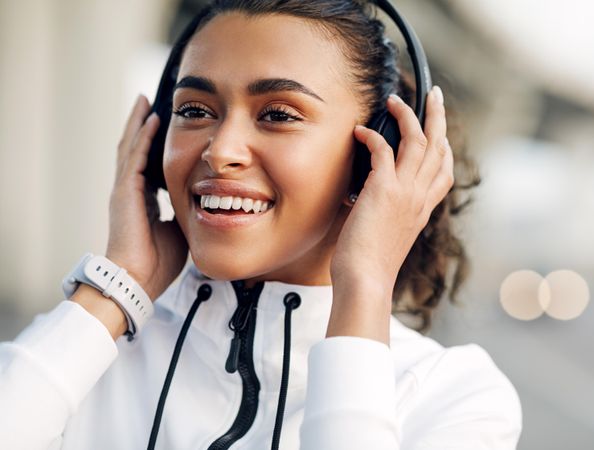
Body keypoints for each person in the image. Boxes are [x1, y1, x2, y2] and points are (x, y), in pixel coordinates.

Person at [0, 1, 521, 449]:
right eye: (196, 109)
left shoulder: (453, 395)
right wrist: (116, 284)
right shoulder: (83, 349)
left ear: (376, 158)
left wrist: (364, 286)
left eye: (278, 114)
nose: (220, 150)